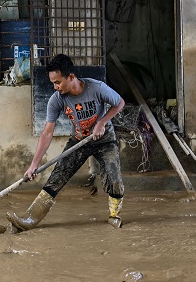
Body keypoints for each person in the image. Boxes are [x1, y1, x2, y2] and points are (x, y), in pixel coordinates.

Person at [7, 54, 126, 230]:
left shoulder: (97, 87)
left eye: (58, 82)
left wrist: (102, 122)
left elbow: (120, 103)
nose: (55, 87)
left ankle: (114, 216)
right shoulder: (57, 100)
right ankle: (30, 219)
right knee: (57, 177)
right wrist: (34, 164)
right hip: (79, 141)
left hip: (104, 139)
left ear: (71, 77)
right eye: (52, 83)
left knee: (113, 176)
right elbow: (47, 133)